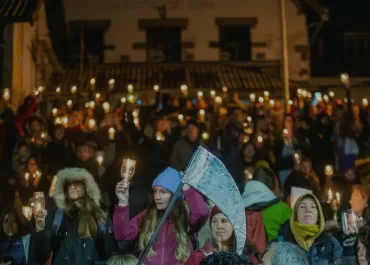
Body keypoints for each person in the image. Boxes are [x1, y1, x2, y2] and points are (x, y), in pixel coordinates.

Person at [114, 167, 209, 265]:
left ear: (174, 194)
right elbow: (123, 234)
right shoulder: (147, 215)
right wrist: (122, 202)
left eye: (163, 192)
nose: (157, 197)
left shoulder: (185, 217)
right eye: (155, 191)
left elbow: (202, 213)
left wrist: (187, 189)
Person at [31, 167, 116, 265]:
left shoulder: (100, 215)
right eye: (69, 184)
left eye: (77, 182)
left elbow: (112, 254)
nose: (73, 186)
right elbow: (40, 258)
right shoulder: (57, 217)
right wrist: (39, 230)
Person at [279, 194, 343, 265]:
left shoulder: (331, 244)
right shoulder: (281, 243)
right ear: (295, 216)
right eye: (302, 207)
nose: (308, 210)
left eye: (313, 206)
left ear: (318, 216)